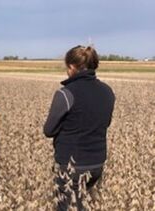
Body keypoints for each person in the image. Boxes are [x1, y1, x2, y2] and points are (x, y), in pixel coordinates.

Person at [43, 46, 115, 210]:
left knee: (67, 206)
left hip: (71, 167)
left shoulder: (65, 94)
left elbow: (48, 130)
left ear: (72, 67)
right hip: (97, 164)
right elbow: (106, 122)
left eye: (67, 67)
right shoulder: (107, 92)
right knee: (85, 205)